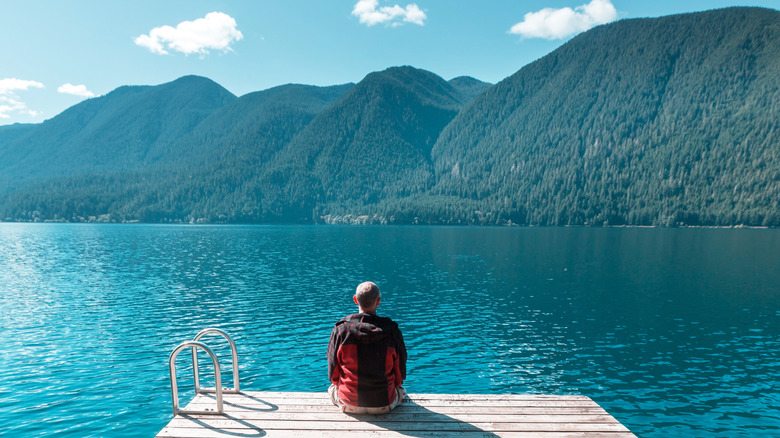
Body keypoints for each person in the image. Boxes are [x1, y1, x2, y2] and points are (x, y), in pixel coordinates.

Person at [327, 281, 407, 414]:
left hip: (348, 403)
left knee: (331, 388)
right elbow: (400, 373)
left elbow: (333, 373)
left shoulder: (341, 330)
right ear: (378, 301)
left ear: (355, 300)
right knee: (401, 391)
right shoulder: (391, 331)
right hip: (385, 404)